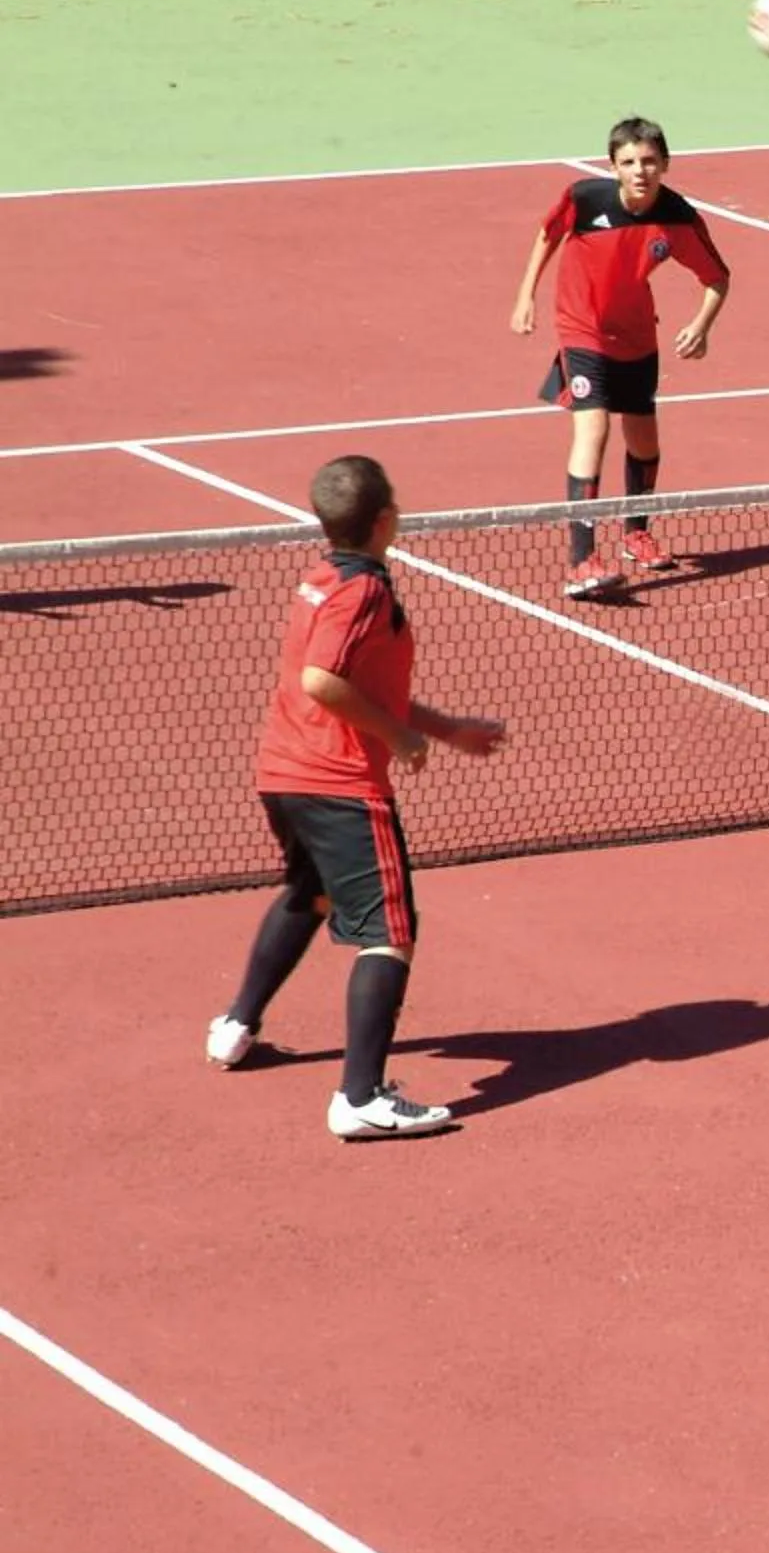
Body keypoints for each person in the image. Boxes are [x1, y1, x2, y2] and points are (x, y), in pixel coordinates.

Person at [204, 456, 506, 1139]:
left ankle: (235, 1027)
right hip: (338, 785)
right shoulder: (363, 592)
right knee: (391, 934)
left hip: (284, 775)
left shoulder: (323, 577)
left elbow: (359, 682)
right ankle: (361, 1097)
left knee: (309, 896)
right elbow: (323, 680)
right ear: (384, 520)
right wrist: (400, 739)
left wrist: (445, 729)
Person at [508, 116, 732, 599]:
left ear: (665, 165)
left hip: (637, 340)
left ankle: (635, 533)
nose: (640, 171)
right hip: (582, 331)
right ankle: (580, 558)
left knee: (645, 443)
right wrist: (525, 295)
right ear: (613, 166)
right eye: (629, 162)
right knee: (595, 430)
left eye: (650, 161)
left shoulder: (677, 218)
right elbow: (547, 236)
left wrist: (700, 325)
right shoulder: (586, 200)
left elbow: (717, 279)